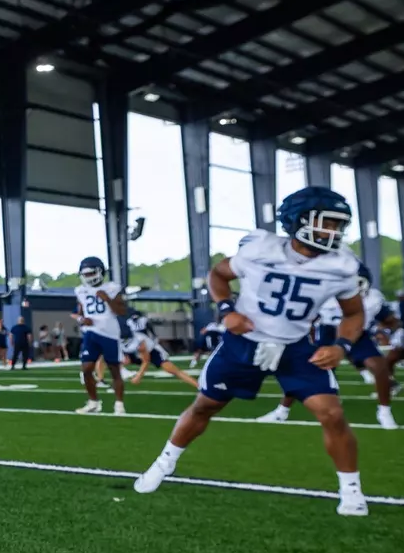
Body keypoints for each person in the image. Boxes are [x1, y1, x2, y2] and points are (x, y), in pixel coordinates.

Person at [134, 187, 369, 516]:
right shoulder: (261, 249)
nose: (334, 232)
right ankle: (165, 461)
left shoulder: (342, 265)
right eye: (327, 223)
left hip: (296, 347)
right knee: (204, 407)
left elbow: (354, 313)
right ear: (298, 220)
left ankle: (351, 490)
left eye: (338, 225)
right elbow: (217, 274)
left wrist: (341, 346)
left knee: (332, 414)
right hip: (244, 343)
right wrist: (227, 310)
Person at [258, 261, 400, 429]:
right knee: (305, 372)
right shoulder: (325, 295)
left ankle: (384, 411)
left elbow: (390, 321)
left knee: (379, 366)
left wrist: (380, 329)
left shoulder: (373, 298)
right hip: (329, 334)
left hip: (356, 334)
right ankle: (282, 411)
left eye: (357, 282)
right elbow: (307, 318)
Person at [73, 255, 129, 414]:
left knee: (114, 370)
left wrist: (108, 300)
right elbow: (80, 313)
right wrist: (83, 320)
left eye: (91, 273)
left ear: (100, 272)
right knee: (86, 369)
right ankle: (93, 402)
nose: (89, 277)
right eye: (86, 274)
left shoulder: (112, 288)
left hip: (109, 333)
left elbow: (122, 311)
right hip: (91, 333)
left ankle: (119, 404)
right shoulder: (80, 291)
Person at [126, 312, 199, 388]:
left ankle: (199, 386)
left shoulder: (139, 338)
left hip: (152, 350)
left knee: (172, 370)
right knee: (121, 360)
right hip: (142, 348)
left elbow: (146, 360)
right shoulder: (126, 334)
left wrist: (139, 375)